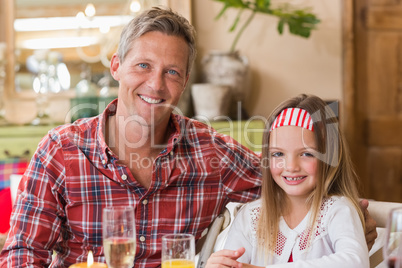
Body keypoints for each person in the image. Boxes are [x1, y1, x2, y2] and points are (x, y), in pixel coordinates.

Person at [0, 7, 376, 268]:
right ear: (116, 66)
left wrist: (355, 214)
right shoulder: (61, 151)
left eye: (172, 72)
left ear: (185, 82)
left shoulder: (212, 152)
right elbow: (21, 254)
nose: (155, 84)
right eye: (143, 66)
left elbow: (288, 174)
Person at [206, 94, 370, 268]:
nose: (291, 166)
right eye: (278, 154)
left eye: (307, 154)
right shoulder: (251, 216)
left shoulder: (337, 210)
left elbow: (355, 262)